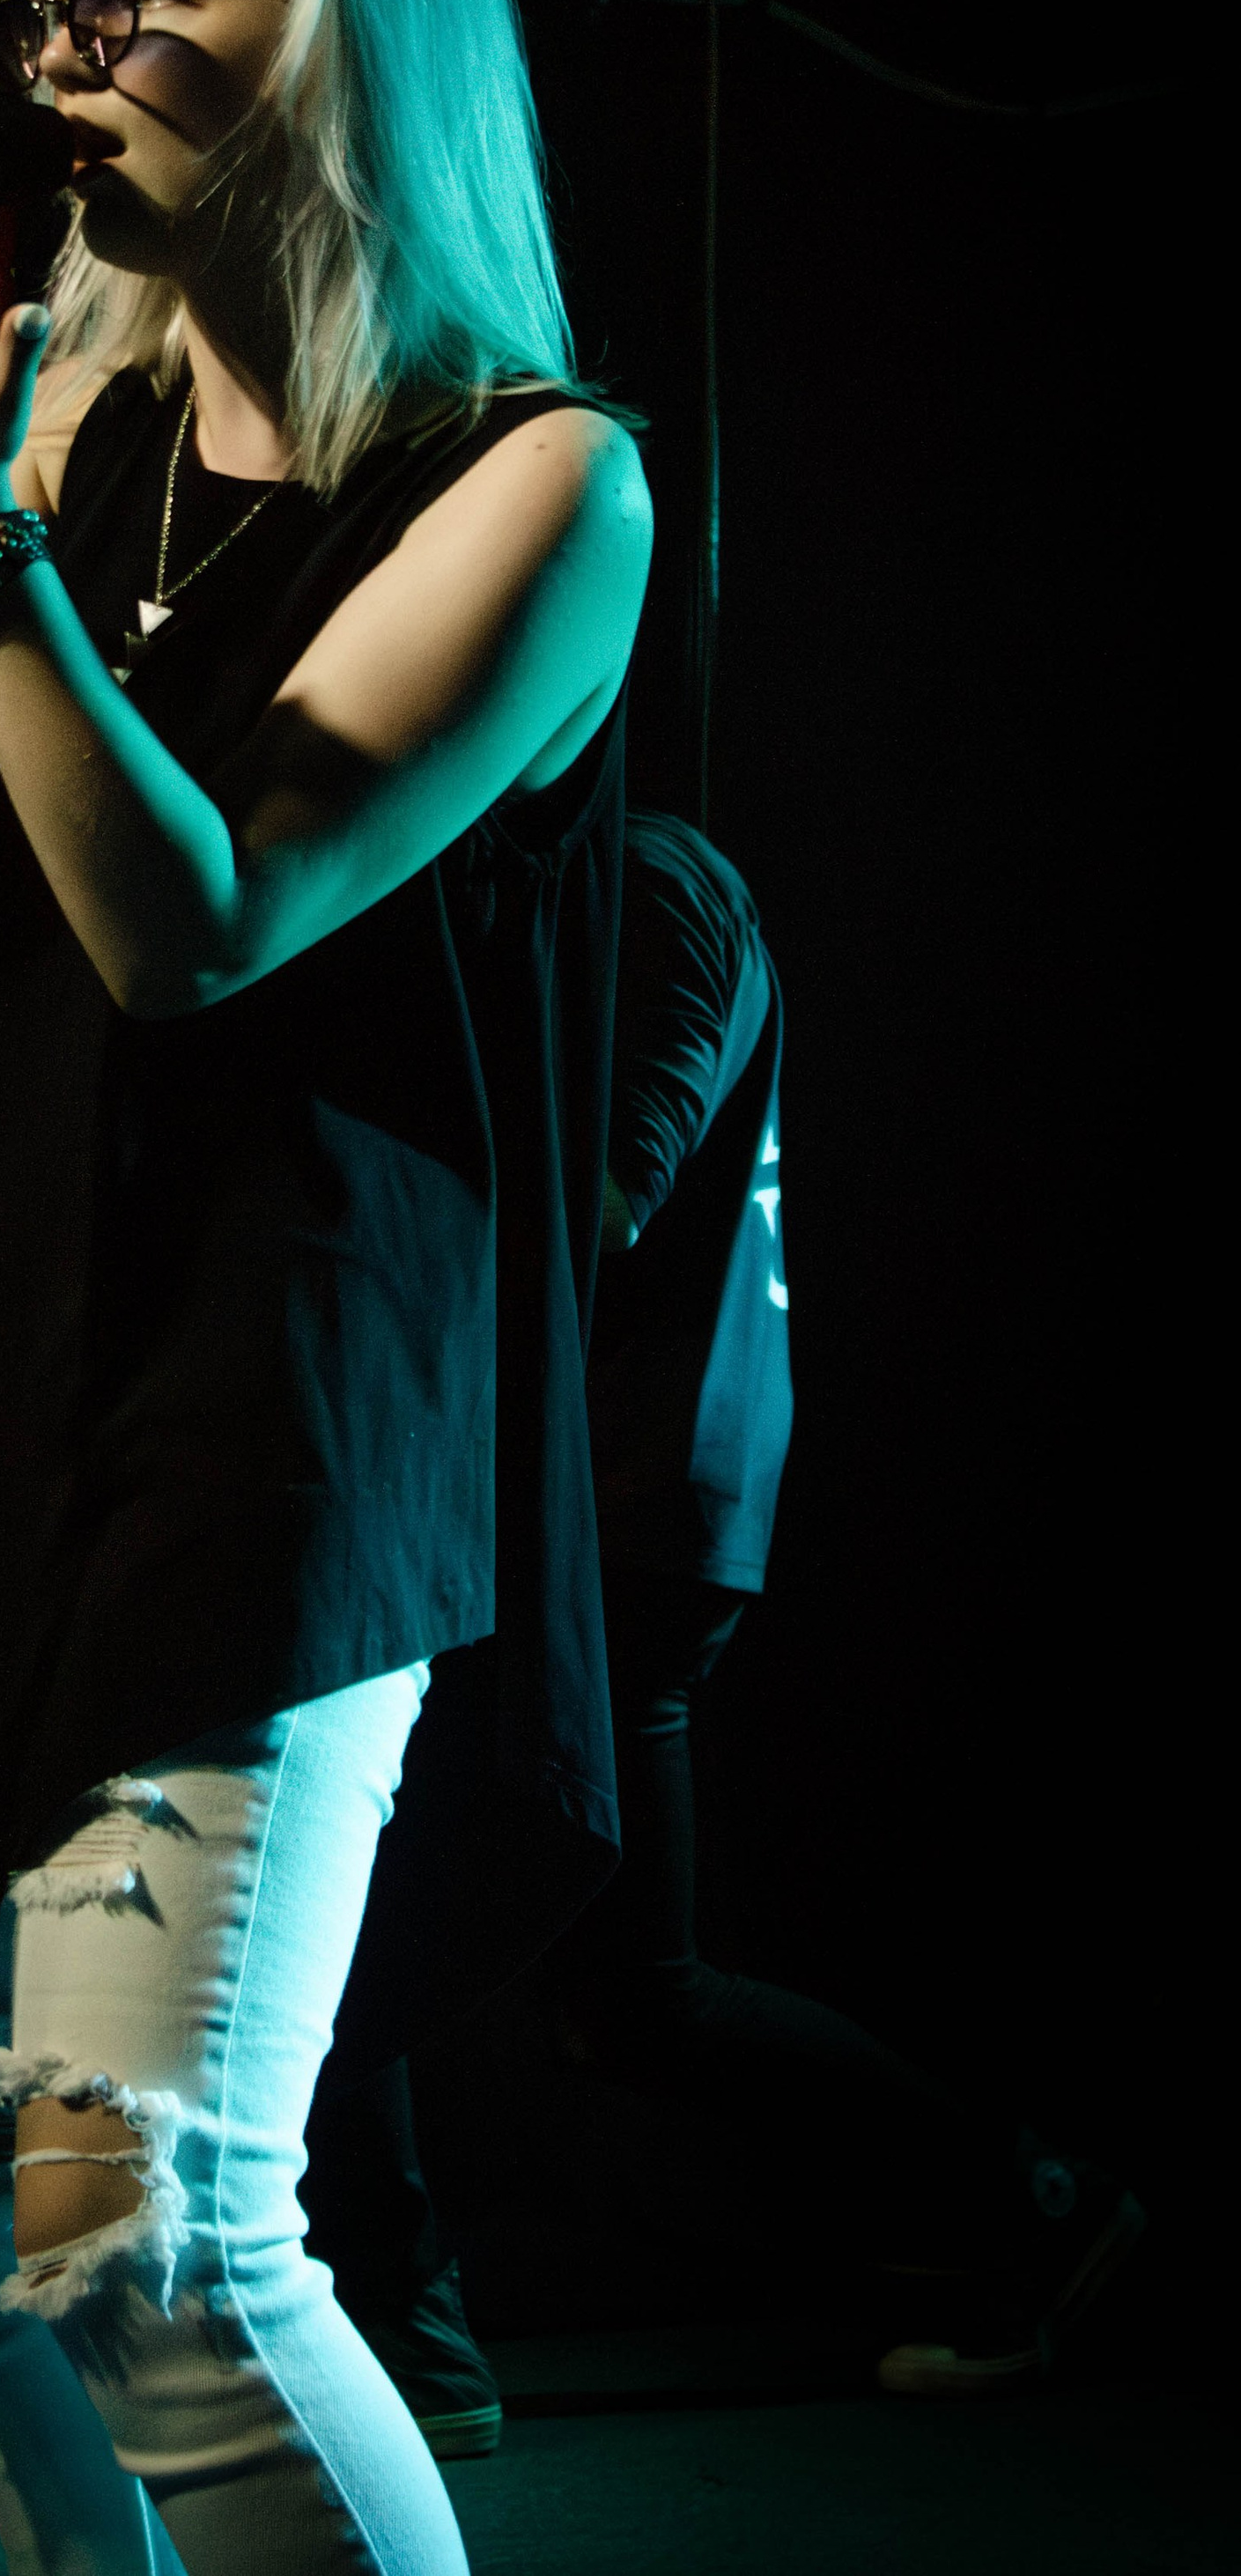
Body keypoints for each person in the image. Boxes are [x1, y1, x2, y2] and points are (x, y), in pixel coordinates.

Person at [0, 0, 650, 2573]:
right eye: (51, 2)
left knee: (155, 2231)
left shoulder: (537, 481)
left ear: (339, 58)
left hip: (264, 1416)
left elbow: (192, 929)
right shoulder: (73, 453)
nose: (74, 54)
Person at [299, 812, 1144, 2429]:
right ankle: (1043, 2210)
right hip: (608, 1505)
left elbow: (610, 1189)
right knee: (622, 1993)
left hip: (611, 1514)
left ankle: (409, 2329)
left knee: (363, 1936)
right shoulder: (595, 888)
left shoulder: (659, 887)